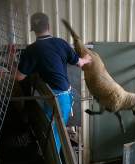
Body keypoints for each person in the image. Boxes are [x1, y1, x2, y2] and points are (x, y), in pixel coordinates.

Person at [15, 12, 91, 152]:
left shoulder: (31, 50)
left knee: (52, 135)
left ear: (34, 30)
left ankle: (50, 163)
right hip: (62, 97)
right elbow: (79, 63)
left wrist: (9, 66)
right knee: (53, 135)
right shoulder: (61, 43)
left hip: (52, 96)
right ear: (49, 26)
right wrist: (86, 58)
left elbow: (19, 77)